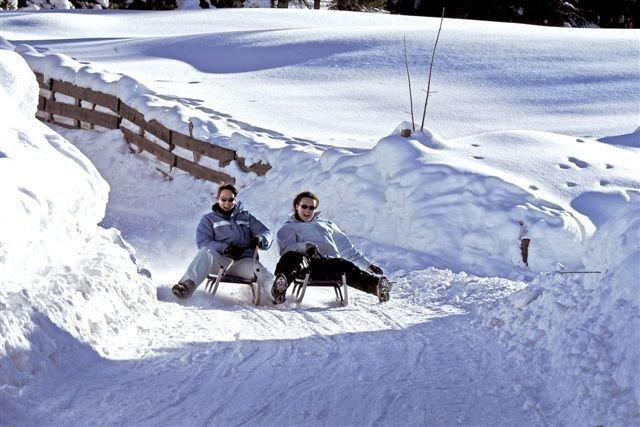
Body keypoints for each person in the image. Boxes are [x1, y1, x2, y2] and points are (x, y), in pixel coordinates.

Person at [271, 191, 392, 304]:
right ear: (297, 206)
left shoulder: (326, 224)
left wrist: (367, 265)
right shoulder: (288, 228)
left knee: (344, 264)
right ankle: (280, 286)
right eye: (304, 206)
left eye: (311, 207)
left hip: (330, 265)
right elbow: (285, 251)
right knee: (293, 258)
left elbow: (347, 248)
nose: (307, 210)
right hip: (307, 267)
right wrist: (305, 247)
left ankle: (377, 286)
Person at [172, 183, 273, 300]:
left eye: (231, 200)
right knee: (206, 252)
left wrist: (261, 239)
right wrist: (224, 248)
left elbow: (266, 232)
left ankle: (275, 292)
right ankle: (186, 285)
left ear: (235, 200)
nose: (227, 203)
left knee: (258, 270)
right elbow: (203, 242)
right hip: (221, 260)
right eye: (223, 199)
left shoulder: (246, 217)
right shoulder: (208, 219)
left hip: (243, 262)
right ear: (217, 199)